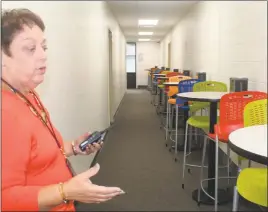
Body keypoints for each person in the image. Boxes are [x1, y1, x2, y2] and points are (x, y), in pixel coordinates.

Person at [1, 8, 125, 211]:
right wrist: (65, 191)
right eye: (30, 49)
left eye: (44, 47)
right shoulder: (5, 114)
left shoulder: (28, 94)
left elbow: (43, 151)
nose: (43, 56)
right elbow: (4, 198)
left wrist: (74, 147)